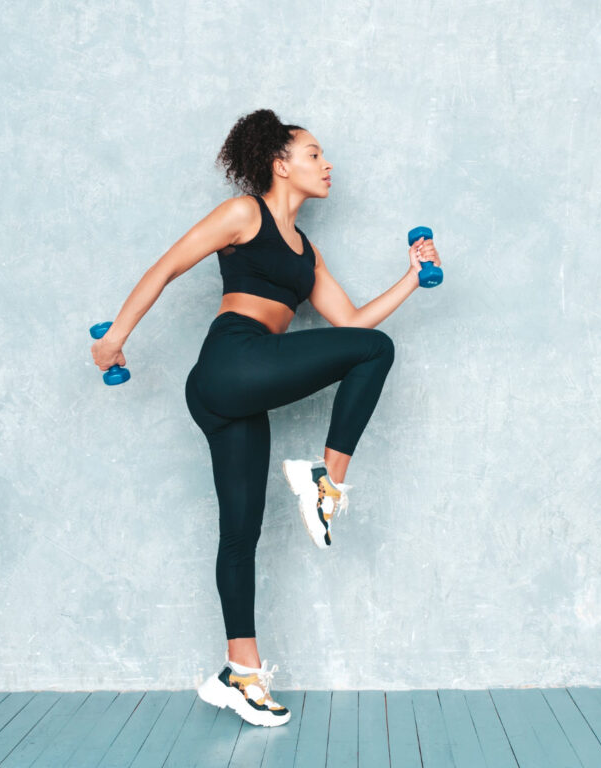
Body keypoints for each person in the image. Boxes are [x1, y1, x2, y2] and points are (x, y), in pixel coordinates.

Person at [89, 108, 441, 727]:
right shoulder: (244, 213)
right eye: (313, 154)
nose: (326, 164)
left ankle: (240, 673)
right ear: (280, 164)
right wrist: (115, 337)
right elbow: (168, 266)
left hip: (238, 391)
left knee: (241, 534)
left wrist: (412, 277)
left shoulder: (307, 252)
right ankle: (324, 482)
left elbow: (353, 326)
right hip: (233, 360)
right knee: (375, 355)